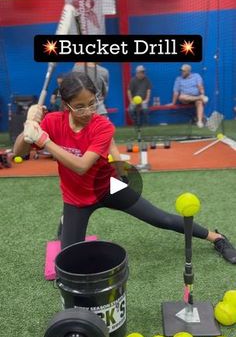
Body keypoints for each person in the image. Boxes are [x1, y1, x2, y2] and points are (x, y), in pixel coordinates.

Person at [13, 71, 236, 264]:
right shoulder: (53, 122)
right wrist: (29, 126)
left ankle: (216, 237)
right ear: (66, 106)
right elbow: (18, 152)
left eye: (92, 103)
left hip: (109, 188)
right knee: (69, 260)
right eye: (79, 107)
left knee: (161, 219)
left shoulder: (102, 126)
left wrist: (45, 141)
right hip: (75, 198)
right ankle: (66, 221)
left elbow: (81, 167)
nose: (88, 111)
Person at [72, 62, 120, 161]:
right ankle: (121, 173)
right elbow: (104, 93)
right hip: (99, 109)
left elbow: (73, 92)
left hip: (81, 112)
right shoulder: (104, 71)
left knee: (82, 141)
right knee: (110, 144)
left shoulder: (76, 68)